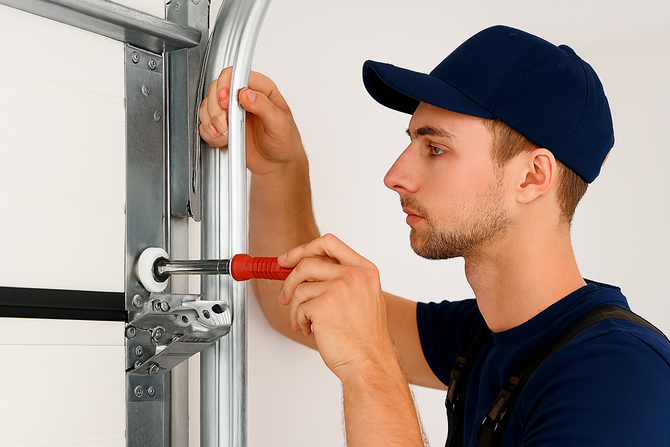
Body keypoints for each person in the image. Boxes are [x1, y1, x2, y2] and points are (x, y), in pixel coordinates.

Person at [198, 25, 670, 447]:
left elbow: (360, 347)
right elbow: (299, 309)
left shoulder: (617, 380)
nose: (395, 175)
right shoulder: (483, 337)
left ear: (531, 177)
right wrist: (281, 167)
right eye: (411, 143)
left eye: (436, 148)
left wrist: (370, 364)